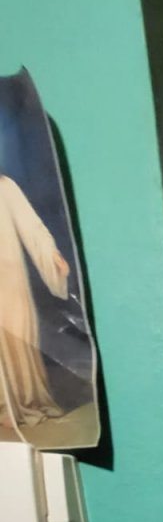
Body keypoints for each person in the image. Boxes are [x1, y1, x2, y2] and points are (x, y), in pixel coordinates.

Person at [0, 173, 69, 429]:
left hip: (8, 280)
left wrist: (52, 255)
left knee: (16, 338)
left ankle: (20, 401)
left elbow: (32, 226)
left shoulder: (5, 187)